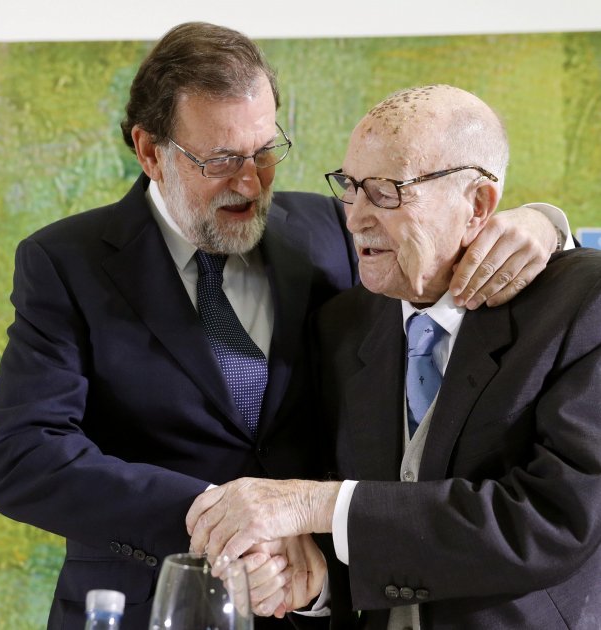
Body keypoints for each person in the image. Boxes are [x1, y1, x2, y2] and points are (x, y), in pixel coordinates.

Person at [0, 19, 567, 629]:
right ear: (151, 151)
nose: (249, 182)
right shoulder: (65, 263)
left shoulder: (330, 229)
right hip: (148, 607)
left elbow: (446, 250)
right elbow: (25, 456)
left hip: (313, 608)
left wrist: (545, 224)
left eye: (264, 151)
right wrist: (224, 517)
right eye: (220, 160)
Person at [186, 85, 601, 630]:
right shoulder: (342, 325)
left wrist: (316, 504)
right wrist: (315, 584)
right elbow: (361, 542)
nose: (354, 219)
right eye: (350, 187)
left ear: (478, 205)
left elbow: (554, 521)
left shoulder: (584, 306)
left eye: (386, 192)